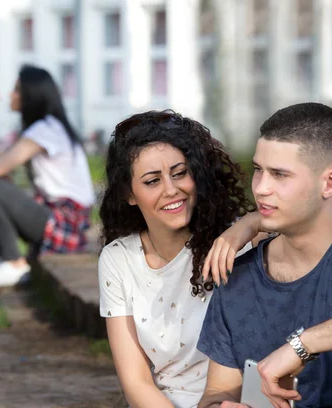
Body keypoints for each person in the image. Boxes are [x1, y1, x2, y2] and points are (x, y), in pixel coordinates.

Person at [197, 102, 332, 408]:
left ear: (329, 182)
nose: (260, 188)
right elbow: (217, 391)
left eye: (279, 174)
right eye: (259, 170)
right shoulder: (237, 279)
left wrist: (301, 346)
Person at [98, 110, 267, 408]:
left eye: (179, 173)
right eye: (152, 181)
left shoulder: (236, 243)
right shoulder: (118, 259)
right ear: (129, 194)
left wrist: (247, 225)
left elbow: (297, 221)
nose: (171, 190)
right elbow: (136, 381)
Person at [0, 65, 95, 288]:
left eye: (17, 90)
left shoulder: (47, 130)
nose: (11, 95)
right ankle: (9, 261)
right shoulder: (39, 130)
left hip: (66, 222)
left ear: (31, 96)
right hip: (63, 220)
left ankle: (12, 262)